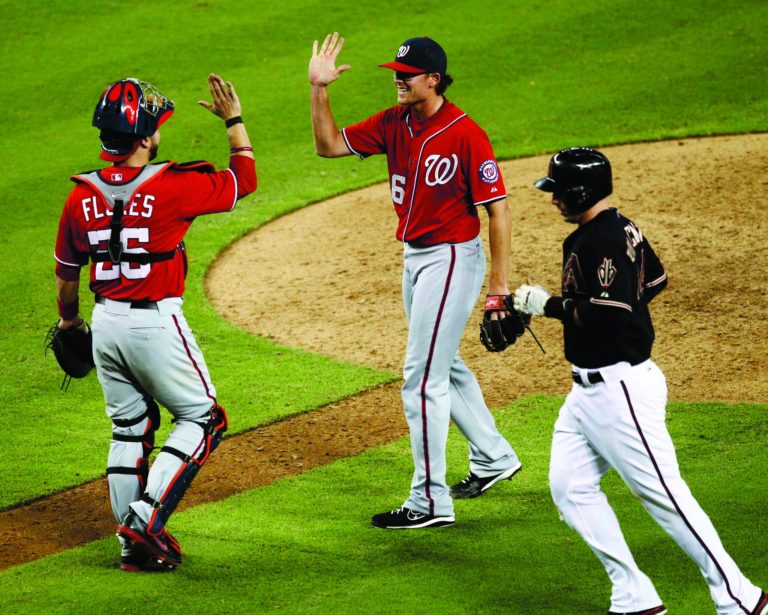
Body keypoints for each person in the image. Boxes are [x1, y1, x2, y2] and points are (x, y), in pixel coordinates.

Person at [512, 147, 766, 615]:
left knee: (664, 496)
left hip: (619, 390)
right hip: (586, 395)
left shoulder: (600, 240)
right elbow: (654, 281)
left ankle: (742, 599)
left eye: (558, 192)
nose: (552, 200)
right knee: (570, 488)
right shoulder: (616, 227)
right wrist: (612, 305)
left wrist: (547, 306)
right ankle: (635, 596)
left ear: (580, 191)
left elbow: (609, 315)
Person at [308, 33, 522, 529]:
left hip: (451, 258)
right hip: (415, 258)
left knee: (421, 378)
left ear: (434, 79)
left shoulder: (467, 133)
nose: (399, 80)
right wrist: (320, 88)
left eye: (408, 74)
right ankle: (493, 456)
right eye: (396, 73)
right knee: (443, 363)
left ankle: (429, 500)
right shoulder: (392, 122)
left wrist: (499, 287)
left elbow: (499, 210)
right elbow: (327, 146)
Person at [53, 75, 257, 570]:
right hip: (155, 326)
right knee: (204, 418)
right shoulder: (173, 185)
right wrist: (234, 121)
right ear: (145, 138)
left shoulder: (79, 196)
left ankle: (132, 547)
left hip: (104, 326)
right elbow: (243, 180)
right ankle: (143, 520)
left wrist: (70, 325)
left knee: (130, 427)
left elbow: (66, 273)